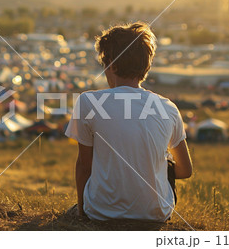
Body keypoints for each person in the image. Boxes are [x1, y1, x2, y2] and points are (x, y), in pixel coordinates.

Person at [65, 22, 193, 222]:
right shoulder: (168, 108)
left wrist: (82, 213)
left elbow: (85, 166)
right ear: (146, 66)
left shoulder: (89, 102)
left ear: (113, 65)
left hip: (101, 211)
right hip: (156, 214)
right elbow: (186, 171)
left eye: (104, 65)